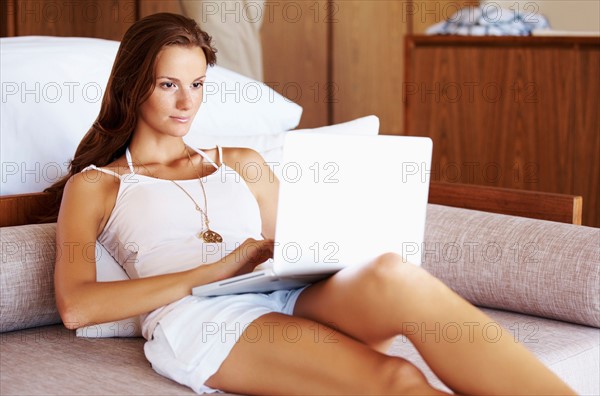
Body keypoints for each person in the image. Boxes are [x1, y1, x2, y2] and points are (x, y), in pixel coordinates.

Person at [48, 13, 574, 395]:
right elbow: (77, 307)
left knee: (395, 274)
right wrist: (217, 270)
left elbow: (292, 251)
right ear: (133, 85)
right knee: (397, 379)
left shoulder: (243, 161)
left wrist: (319, 247)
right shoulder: (96, 184)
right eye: (168, 85)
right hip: (203, 320)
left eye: (198, 84)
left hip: (277, 294)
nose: (188, 102)